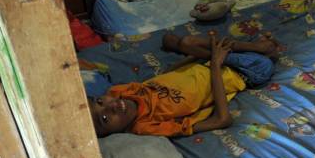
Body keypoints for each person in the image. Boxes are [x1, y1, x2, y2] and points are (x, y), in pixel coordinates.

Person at [89, 31, 281, 137]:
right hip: (242, 73)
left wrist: (190, 56)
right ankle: (260, 48)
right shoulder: (145, 126)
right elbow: (223, 120)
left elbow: (168, 78)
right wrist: (215, 63)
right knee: (264, 63)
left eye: (100, 101)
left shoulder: (119, 92)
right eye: (105, 119)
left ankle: (256, 48)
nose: (110, 106)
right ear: (110, 134)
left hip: (205, 63)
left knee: (176, 39)